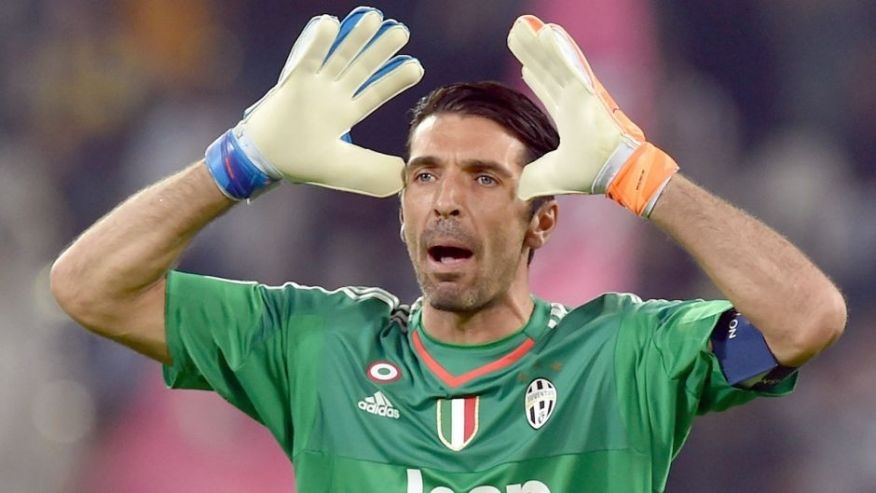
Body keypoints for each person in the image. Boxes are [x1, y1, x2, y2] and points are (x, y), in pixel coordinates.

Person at [50, 6, 846, 493]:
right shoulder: (317, 347)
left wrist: (643, 177)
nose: (447, 199)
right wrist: (235, 164)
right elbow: (90, 287)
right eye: (424, 175)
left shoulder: (627, 355)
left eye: (484, 179)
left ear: (543, 223)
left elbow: (803, 318)